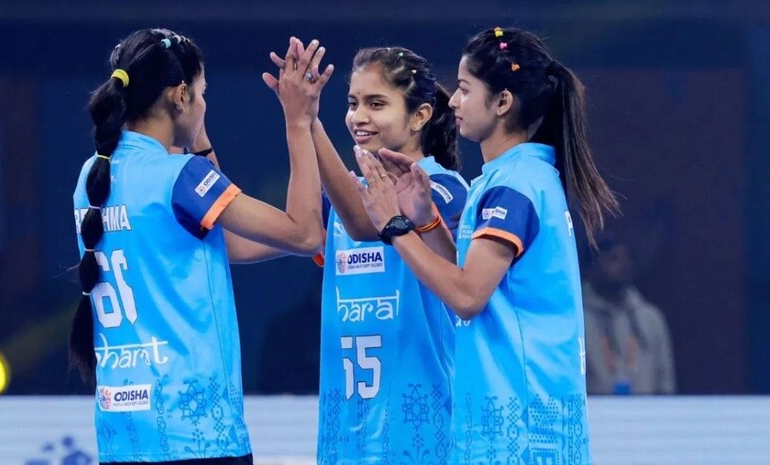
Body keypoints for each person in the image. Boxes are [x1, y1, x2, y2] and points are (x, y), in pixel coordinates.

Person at [352, 27, 620, 464]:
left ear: (502, 102)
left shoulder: (514, 186)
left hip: (521, 431)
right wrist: (425, 220)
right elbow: (470, 278)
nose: (454, 102)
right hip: (510, 426)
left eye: (464, 89)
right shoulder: (511, 178)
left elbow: (467, 297)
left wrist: (394, 226)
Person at [68, 29, 332, 464]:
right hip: (197, 436)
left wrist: (195, 134)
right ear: (179, 96)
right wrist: (298, 120)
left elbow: (227, 243)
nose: (204, 104)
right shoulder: (180, 176)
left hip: (122, 437)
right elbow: (305, 233)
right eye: (202, 93)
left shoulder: (92, 178)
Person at [264, 42, 469, 463]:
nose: (358, 117)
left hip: (421, 440)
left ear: (420, 116)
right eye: (353, 103)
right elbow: (256, 239)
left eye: (376, 104)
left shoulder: (441, 189)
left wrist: (306, 121)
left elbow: (365, 224)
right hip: (347, 443)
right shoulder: (343, 200)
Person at [582, 237, 676, 395]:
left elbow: (665, 377)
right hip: (595, 408)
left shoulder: (650, 318)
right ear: (592, 266)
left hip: (648, 408)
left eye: (625, 259)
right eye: (612, 259)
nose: (622, 266)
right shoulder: (579, 319)